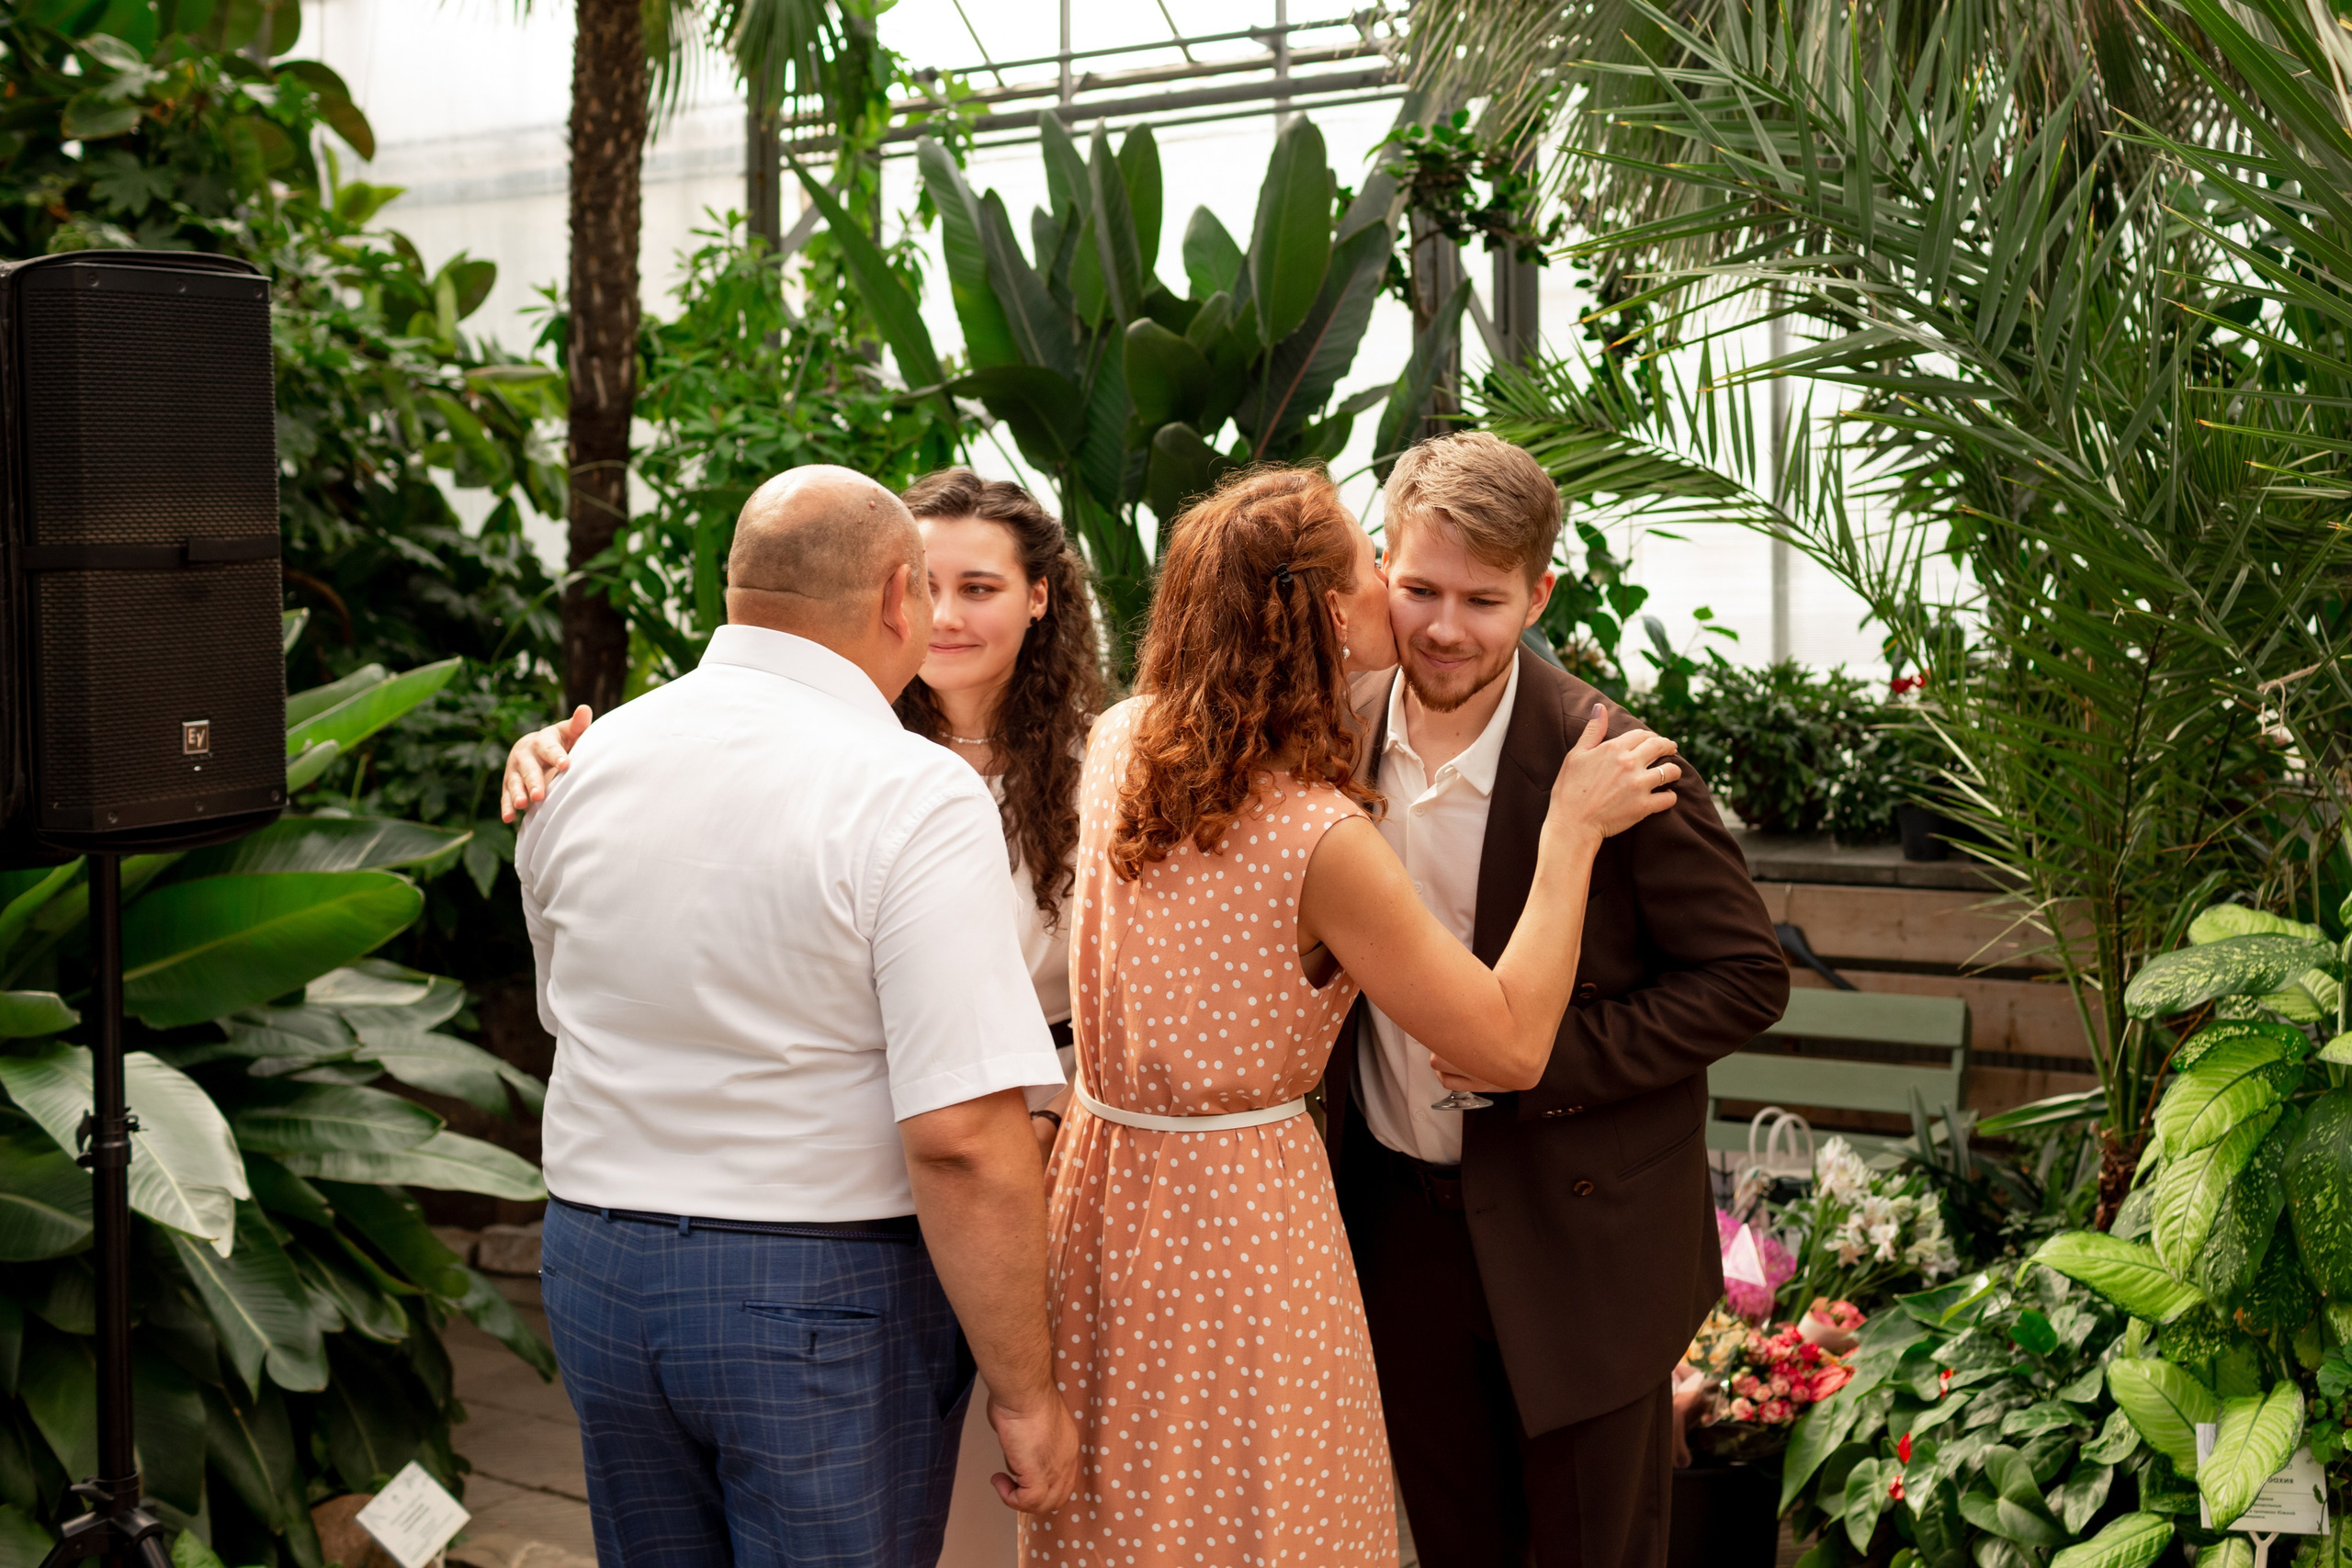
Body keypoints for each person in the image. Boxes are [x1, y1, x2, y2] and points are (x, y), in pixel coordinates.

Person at [1023, 466, 1686, 1567]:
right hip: (1245, 1220)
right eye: (1375, 564)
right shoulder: (1318, 835)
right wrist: (1568, 835)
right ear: (1333, 611)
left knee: (1139, 1514)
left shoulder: (1118, 744)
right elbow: (1510, 1040)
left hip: (1105, 1194)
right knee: (1265, 1519)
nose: (1401, 587)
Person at [503, 468, 1103, 1568]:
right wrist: (1026, 1393)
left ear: (737, 587)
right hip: (815, 1298)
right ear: (893, 599)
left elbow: (570, 1008)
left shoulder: (581, 766)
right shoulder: (910, 791)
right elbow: (962, 1137)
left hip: (596, 1273)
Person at [1322, 432, 1789, 1568]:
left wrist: (1537, 1056)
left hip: (1580, 1243)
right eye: (1419, 588)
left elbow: (1746, 977)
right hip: (1397, 1226)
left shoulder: (1618, 763)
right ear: (1381, 564)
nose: (1442, 627)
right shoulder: (1327, 738)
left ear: (1539, 591)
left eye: (1482, 600)